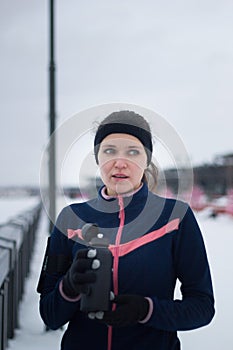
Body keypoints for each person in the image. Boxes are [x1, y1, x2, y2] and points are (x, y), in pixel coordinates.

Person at [37, 110, 215, 350]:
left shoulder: (176, 217)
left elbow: (202, 308)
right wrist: (69, 287)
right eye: (109, 150)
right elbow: (50, 316)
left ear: (147, 160)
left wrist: (146, 310)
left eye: (133, 151)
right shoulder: (71, 219)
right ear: (98, 158)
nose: (120, 162)